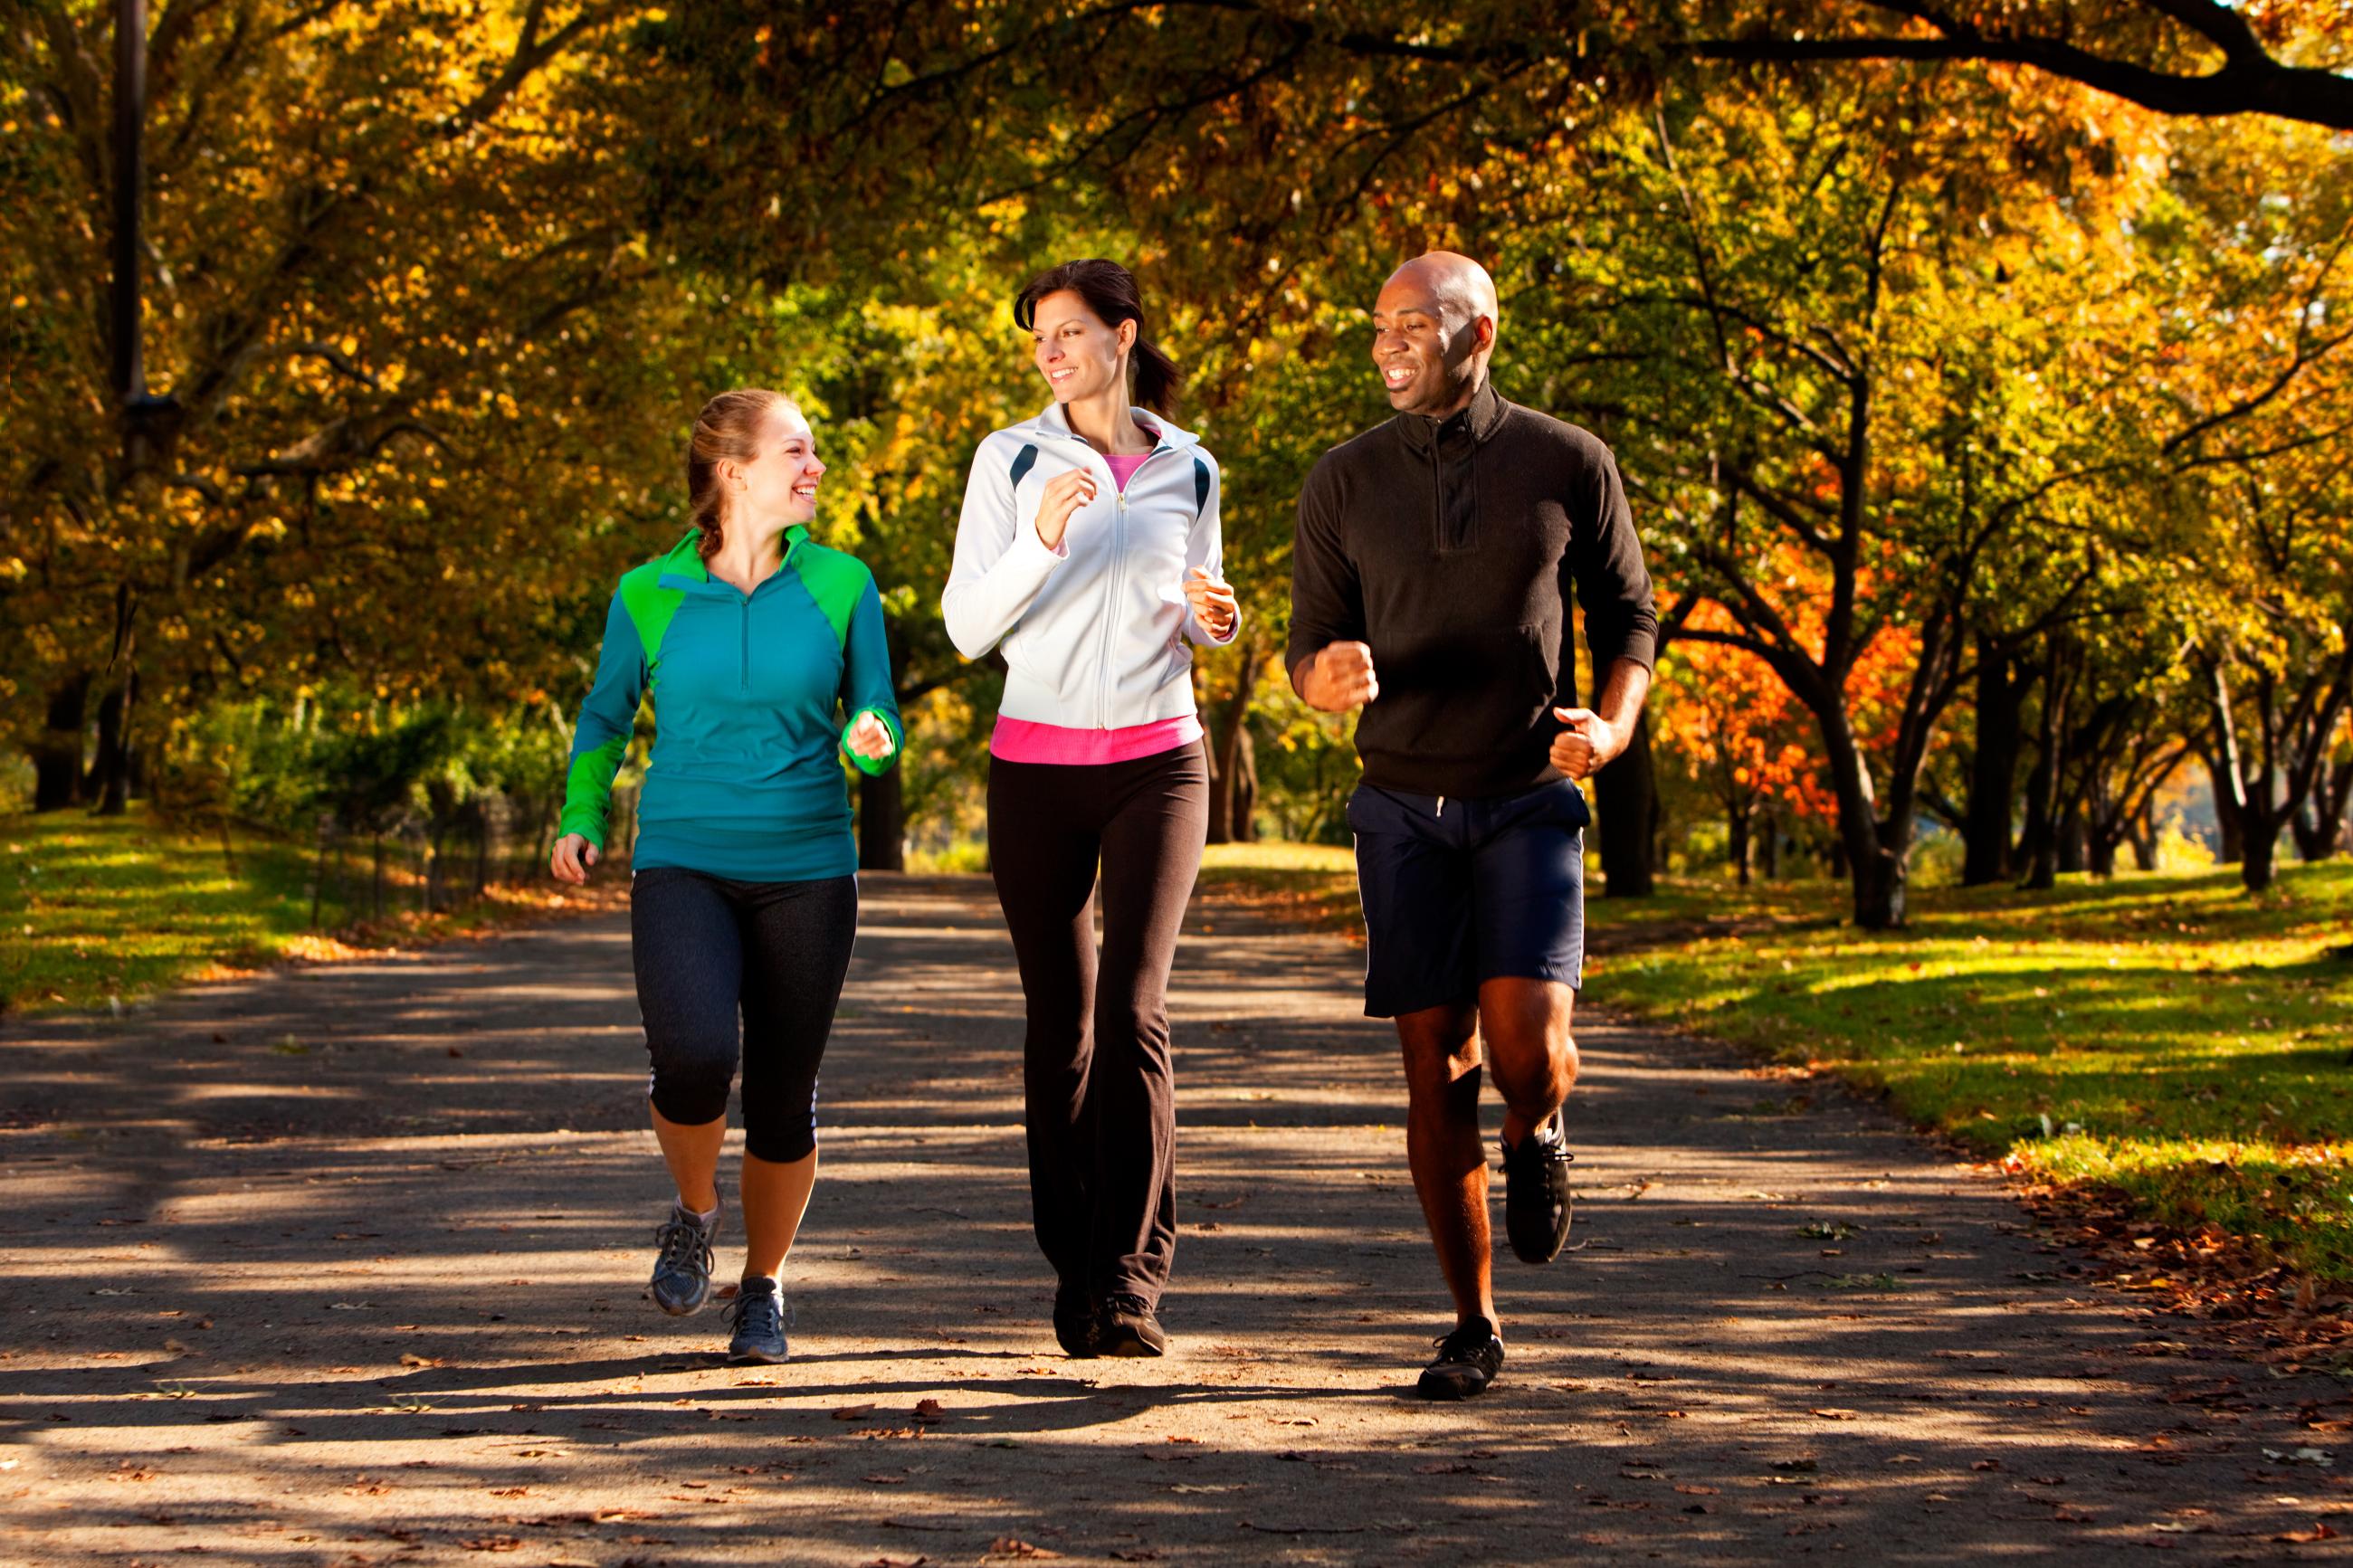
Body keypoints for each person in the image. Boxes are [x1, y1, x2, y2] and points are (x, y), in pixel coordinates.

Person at [1287, 252, 1657, 1400]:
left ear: (1477, 333)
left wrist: (1613, 728)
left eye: (1412, 322)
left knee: (1519, 1055)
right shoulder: (1340, 479)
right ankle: (1472, 1323)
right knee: (1432, 1071)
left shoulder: (1566, 461)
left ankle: (1540, 1129)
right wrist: (1320, 681)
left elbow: (1629, 615)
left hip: (1524, 800)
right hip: (1397, 805)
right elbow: (1307, 645)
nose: (1386, 342)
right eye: (1377, 323)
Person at [551, 388, 901, 1366]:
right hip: (682, 858)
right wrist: (582, 814)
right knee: (694, 1055)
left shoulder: (842, 584)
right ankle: (695, 1210)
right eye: (798, 451)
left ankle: (763, 1288)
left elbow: (874, 711)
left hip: (807, 867)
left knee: (784, 1097)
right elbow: (605, 716)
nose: (815, 467)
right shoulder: (646, 592)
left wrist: (871, 742)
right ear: (733, 470)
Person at [942, 259, 1241, 1359]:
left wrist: (1218, 618)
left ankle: (1129, 1279)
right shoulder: (1009, 459)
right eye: (1038, 338)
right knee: (1059, 1025)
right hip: (1035, 767)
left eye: (1069, 332)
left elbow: (1195, 608)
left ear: (1122, 336)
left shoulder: (1191, 467)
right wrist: (1040, 539)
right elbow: (967, 625)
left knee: (1134, 1010)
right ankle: (1071, 1261)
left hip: (1159, 761)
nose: (1049, 351)